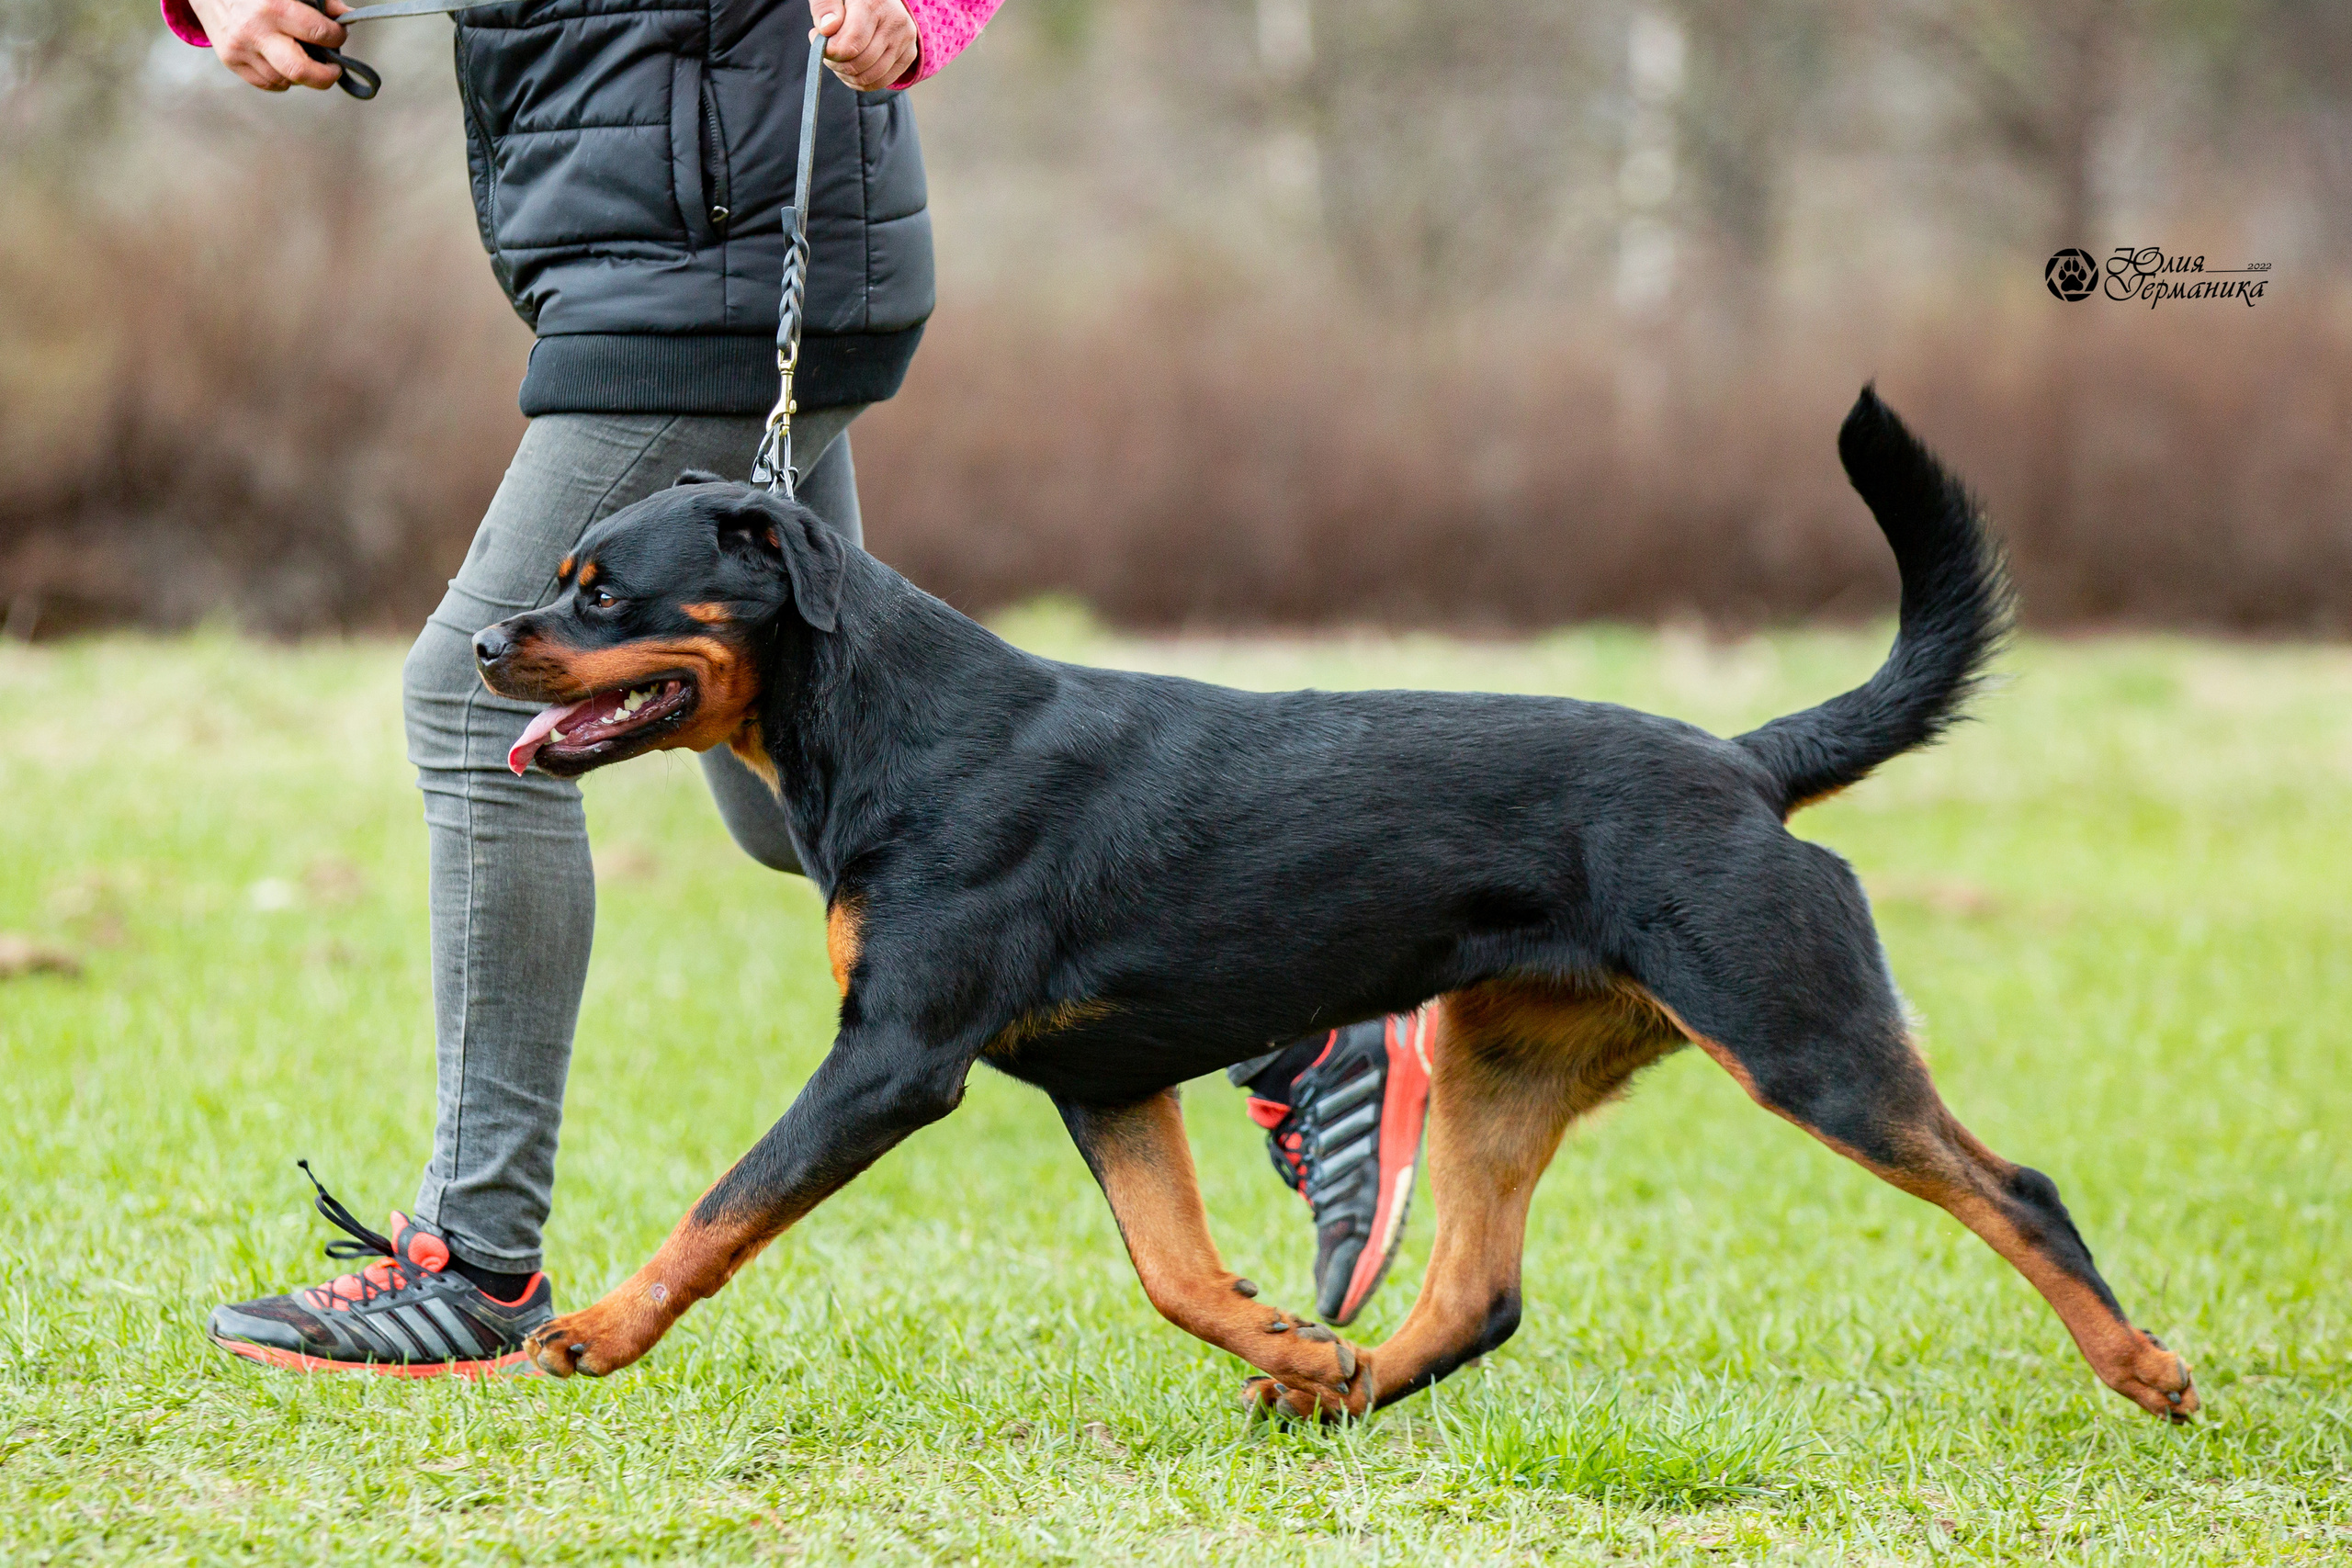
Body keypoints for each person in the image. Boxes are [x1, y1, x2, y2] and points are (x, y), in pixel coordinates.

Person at [171, 0, 1430, 1375]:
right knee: (818, 789)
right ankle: (1288, 1006)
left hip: (724, 247)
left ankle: (478, 1261)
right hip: (637, 240)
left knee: (474, 701)